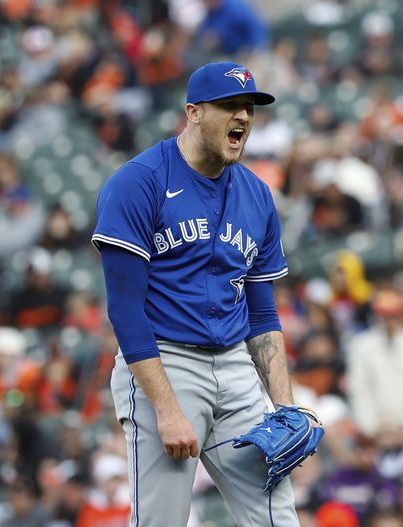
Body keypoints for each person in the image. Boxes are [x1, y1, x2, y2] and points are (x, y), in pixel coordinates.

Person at [92, 62, 300, 526]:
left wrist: (285, 407)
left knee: (278, 518)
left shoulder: (257, 195)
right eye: (229, 106)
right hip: (165, 362)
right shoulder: (138, 182)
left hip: (236, 367)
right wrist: (166, 410)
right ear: (194, 112)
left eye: (249, 108)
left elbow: (263, 315)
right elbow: (125, 310)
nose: (242, 117)